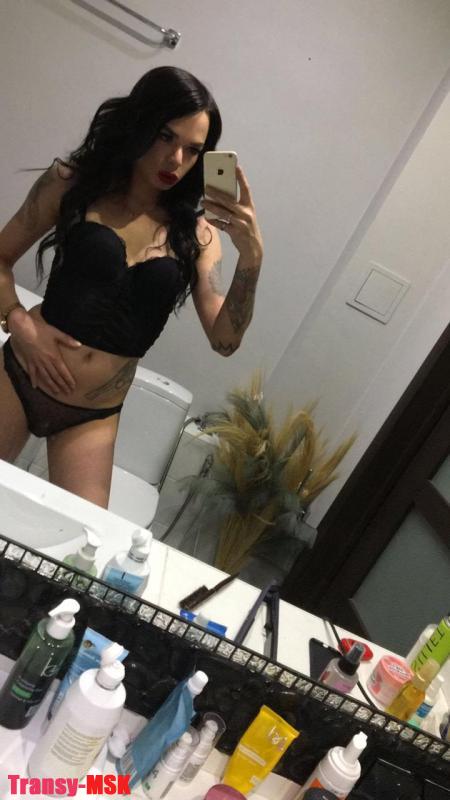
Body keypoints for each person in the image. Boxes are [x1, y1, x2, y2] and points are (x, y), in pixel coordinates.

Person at [0, 66, 263, 508]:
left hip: (93, 414)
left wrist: (252, 257)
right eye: (165, 136)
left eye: (193, 150)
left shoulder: (198, 236)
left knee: (82, 541)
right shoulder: (72, 183)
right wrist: (19, 323)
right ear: (139, 123)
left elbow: (225, 340)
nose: (175, 159)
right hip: (20, 373)